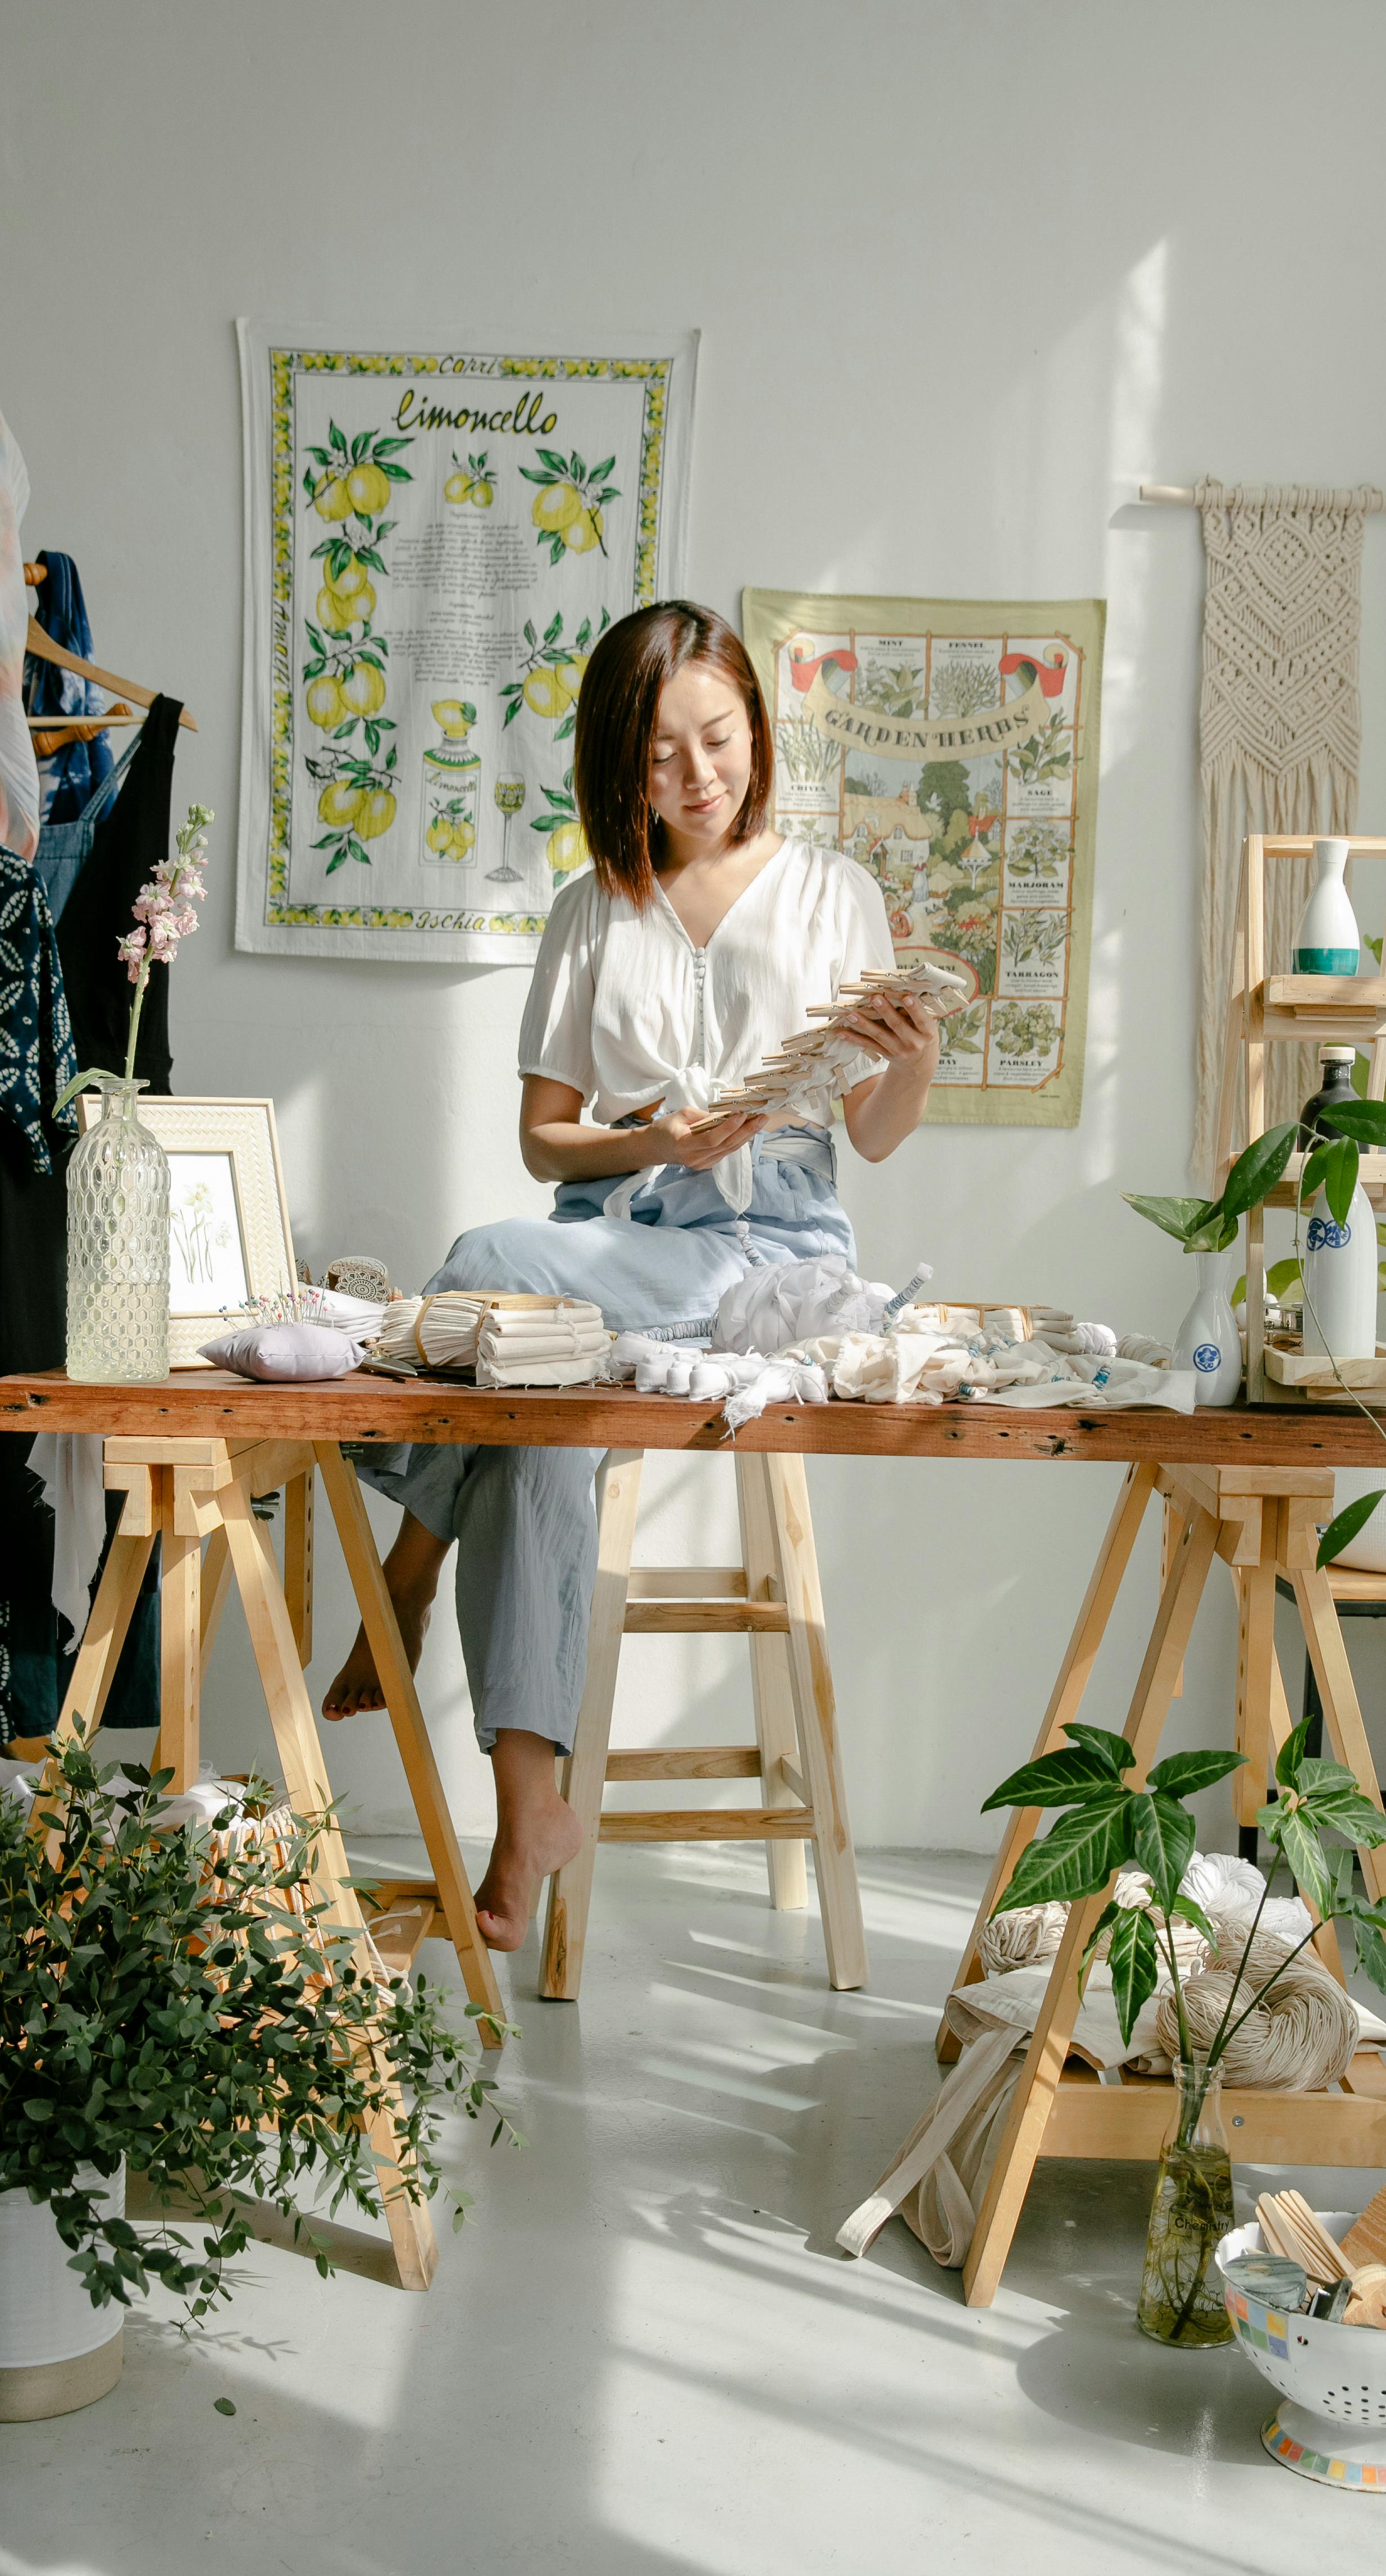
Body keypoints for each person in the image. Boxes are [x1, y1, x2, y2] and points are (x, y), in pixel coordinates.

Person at [325, 600, 940, 1951]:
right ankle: (529, 1809)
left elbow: (876, 1140)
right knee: (536, 1428)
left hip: (762, 1253)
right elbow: (545, 1135)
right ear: (621, 767)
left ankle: (410, 1572)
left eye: (718, 739)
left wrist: (915, 1059)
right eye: (662, 756)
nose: (699, 776)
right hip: (610, 1233)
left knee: (486, 1265)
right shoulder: (590, 908)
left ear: (756, 731)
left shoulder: (834, 892)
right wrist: (650, 1136)